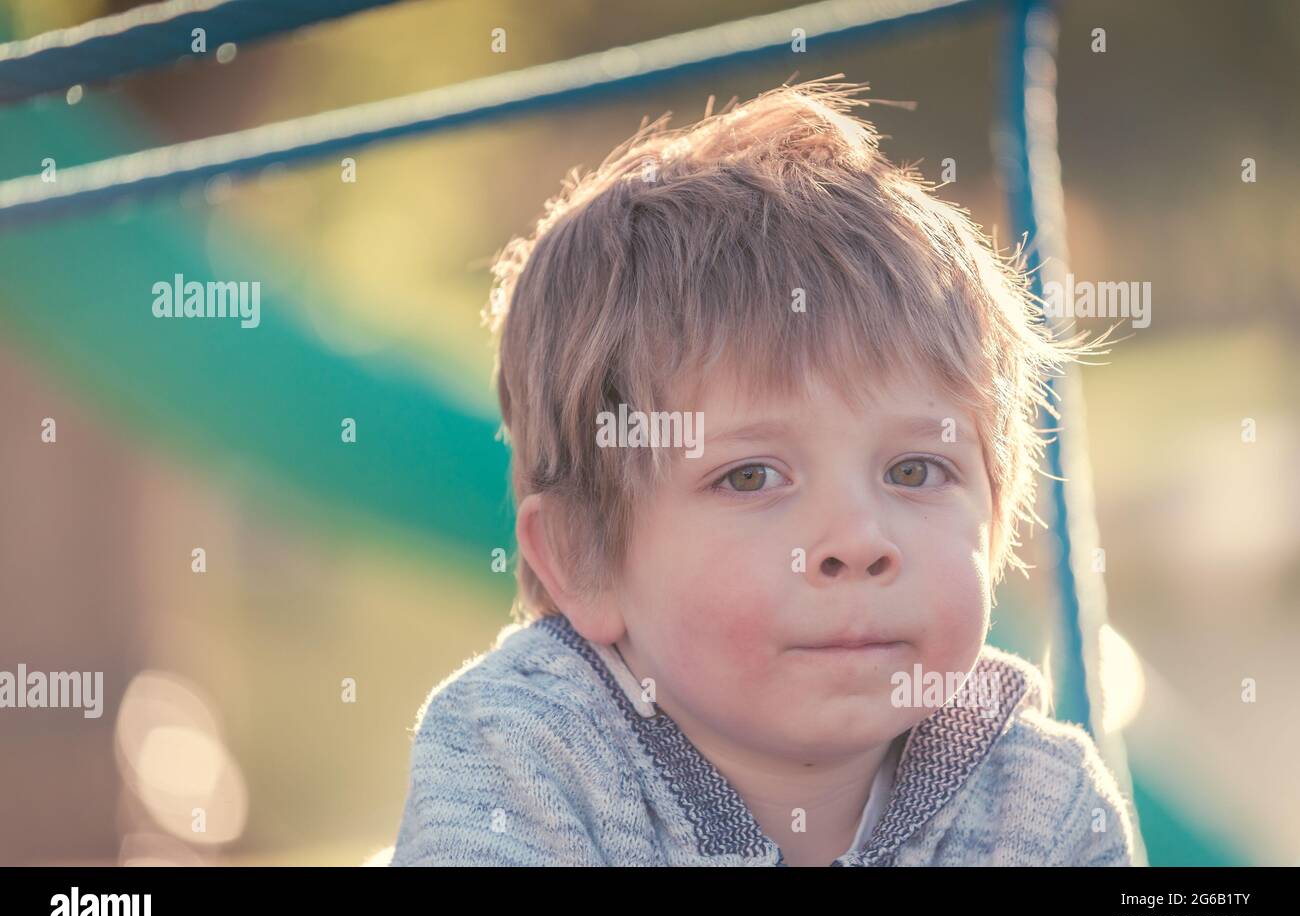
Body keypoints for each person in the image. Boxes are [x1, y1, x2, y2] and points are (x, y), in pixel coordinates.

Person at [390, 78, 1135, 866]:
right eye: (750, 476)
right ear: (584, 555)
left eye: (917, 469)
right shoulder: (522, 755)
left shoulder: (1040, 801)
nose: (857, 540)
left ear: (995, 516)